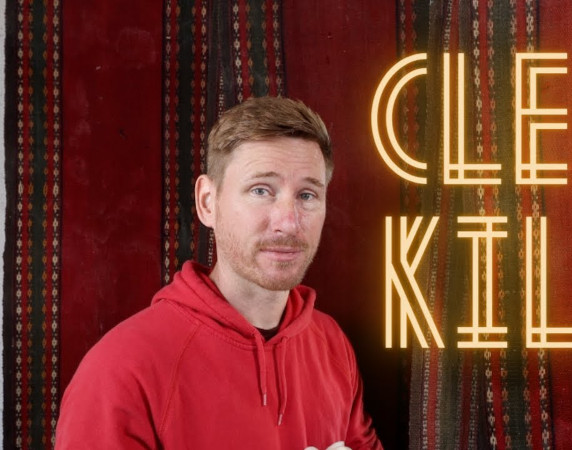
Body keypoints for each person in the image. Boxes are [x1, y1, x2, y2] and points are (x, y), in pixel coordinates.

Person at [55, 96, 383, 449]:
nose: (289, 222)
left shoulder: (331, 344)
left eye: (307, 195)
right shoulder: (120, 369)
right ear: (208, 203)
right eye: (261, 190)